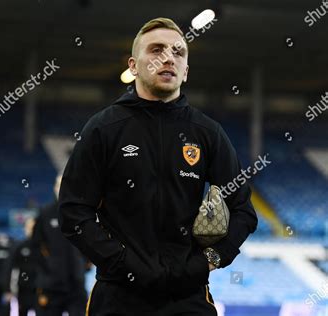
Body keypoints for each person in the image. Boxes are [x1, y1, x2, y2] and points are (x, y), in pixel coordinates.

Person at [59, 17, 258, 316]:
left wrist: (208, 261)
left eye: (178, 53)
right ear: (134, 66)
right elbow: (73, 212)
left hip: (188, 296)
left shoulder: (207, 132)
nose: (168, 58)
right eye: (156, 50)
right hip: (118, 295)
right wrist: (121, 263)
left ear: (186, 71)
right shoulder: (104, 128)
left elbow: (242, 210)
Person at [34, 175, 88, 316]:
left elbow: (90, 242)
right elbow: (35, 245)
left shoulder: (81, 213)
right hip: (52, 286)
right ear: (54, 188)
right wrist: (48, 269)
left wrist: (83, 265)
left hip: (77, 284)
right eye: (59, 185)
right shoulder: (45, 214)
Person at [11, 218, 39, 316]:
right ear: (25, 229)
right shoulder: (19, 247)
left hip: (40, 288)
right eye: (28, 227)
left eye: (33, 227)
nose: (31, 230)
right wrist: (8, 288)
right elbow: (11, 268)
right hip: (24, 289)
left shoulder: (43, 246)